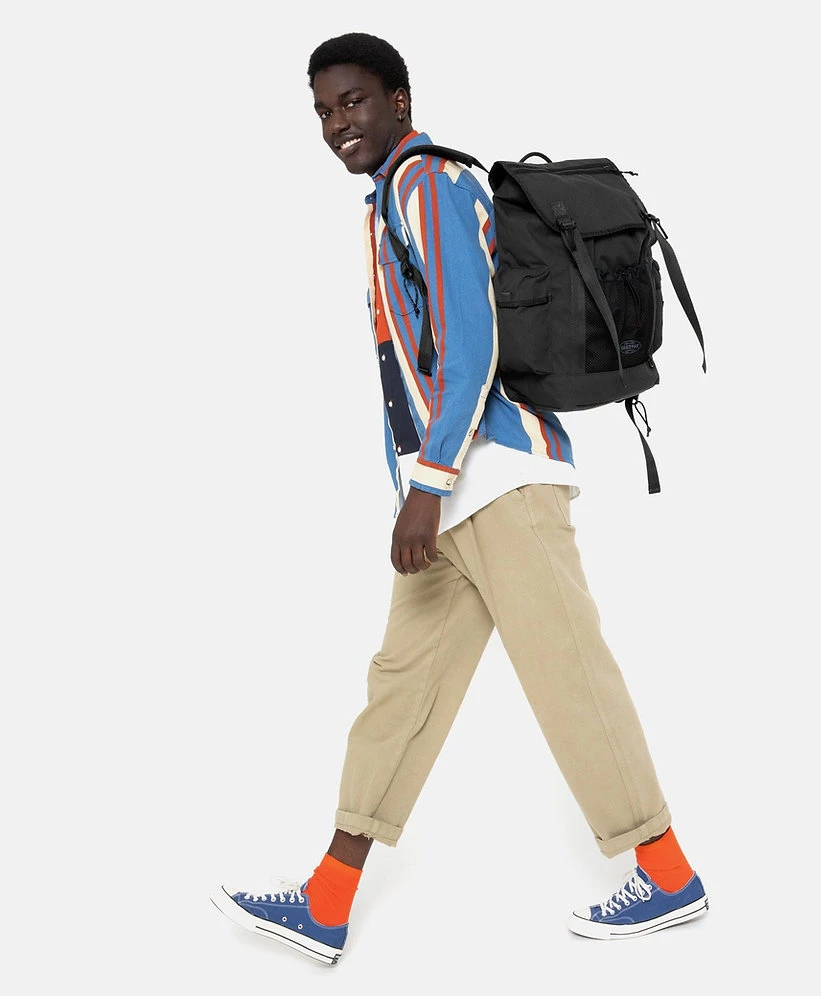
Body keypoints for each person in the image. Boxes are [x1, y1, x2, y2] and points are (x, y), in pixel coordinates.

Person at [211, 32, 708, 965]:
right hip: (449, 497)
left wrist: (428, 483)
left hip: (499, 481)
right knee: (401, 688)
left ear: (399, 100)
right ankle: (328, 900)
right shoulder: (389, 197)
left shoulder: (427, 183)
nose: (337, 123)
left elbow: (471, 341)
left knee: (570, 676)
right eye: (323, 110)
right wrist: (422, 489)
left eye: (353, 101)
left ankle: (672, 877)